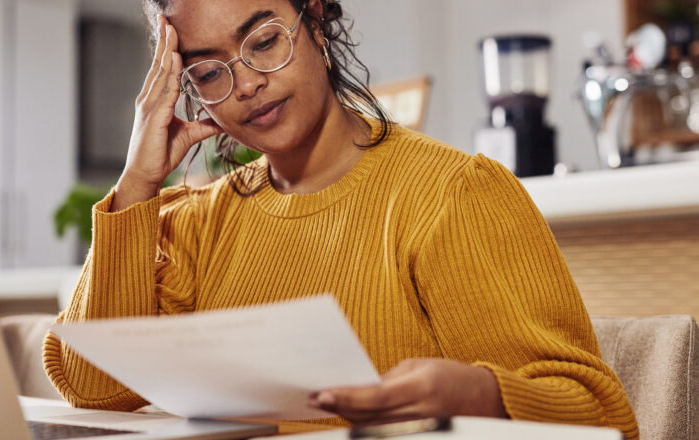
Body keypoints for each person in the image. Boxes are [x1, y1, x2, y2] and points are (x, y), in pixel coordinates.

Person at [43, 0, 639, 438]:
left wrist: (477, 394)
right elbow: (95, 389)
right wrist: (137, 184)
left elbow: (602, 415)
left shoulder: (450, 196)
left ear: (318, 23)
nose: (246, 83)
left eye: (265, 40)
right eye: (208, 71)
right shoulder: (196, 223)